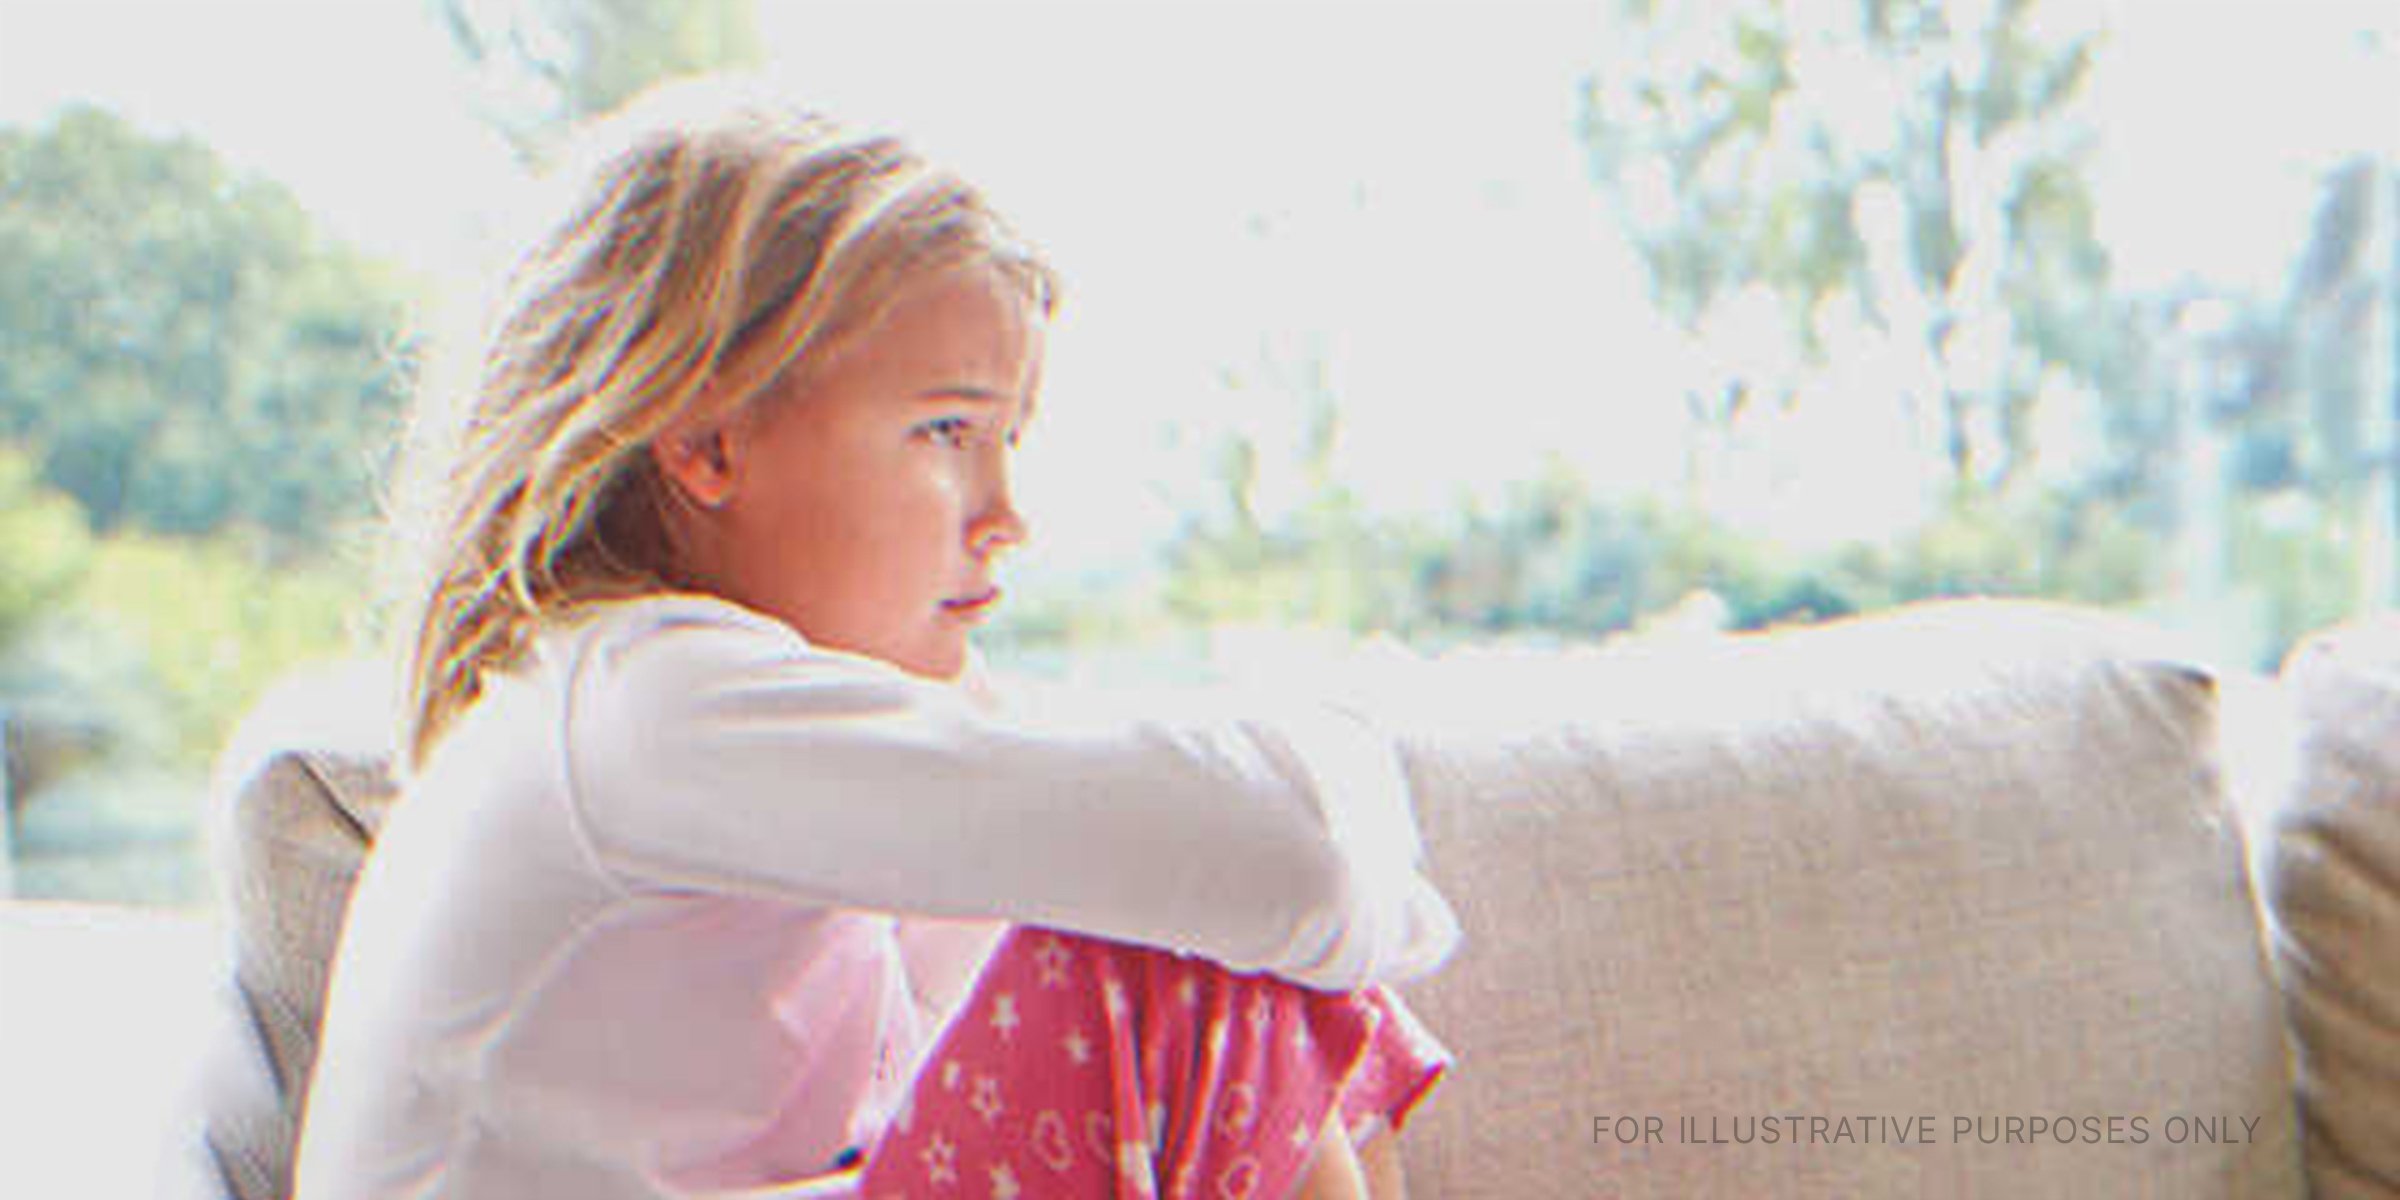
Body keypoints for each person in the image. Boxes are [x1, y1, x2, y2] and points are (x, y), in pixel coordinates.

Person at [294, 80, 1458, 1200]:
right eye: (945, 430)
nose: (1007, 516)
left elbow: (1234, 868)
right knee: (1198, 975)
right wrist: (1353, 895)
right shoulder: (649, 704)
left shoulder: (735, 726)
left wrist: (1320, 913)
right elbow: (1290, 853)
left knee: (1209, 941)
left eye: (1010, 438)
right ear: (708, 442)